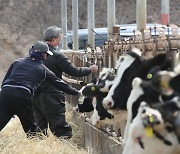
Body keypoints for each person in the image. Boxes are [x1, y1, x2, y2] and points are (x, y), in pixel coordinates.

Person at [0, 41, 80, 137]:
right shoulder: (43, 69)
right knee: (32, 129)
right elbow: (60, 84)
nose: (46, 57)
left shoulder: (17, 62)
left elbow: (5, 82)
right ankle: (36, 144)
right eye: (46, 55)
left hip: (5, 93)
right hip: (23, 95)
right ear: (43, 55)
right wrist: (77, 92)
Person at [32, 26, 98, 139]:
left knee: (39, 129)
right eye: (59, 39)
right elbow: (73, 71)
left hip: (35, 95)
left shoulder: (35, 53)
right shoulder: (56, 55)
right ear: (53, 39)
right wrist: (90, 69)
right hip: (52, 95)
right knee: (60, 128)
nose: (60, 41)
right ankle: (64, 147)